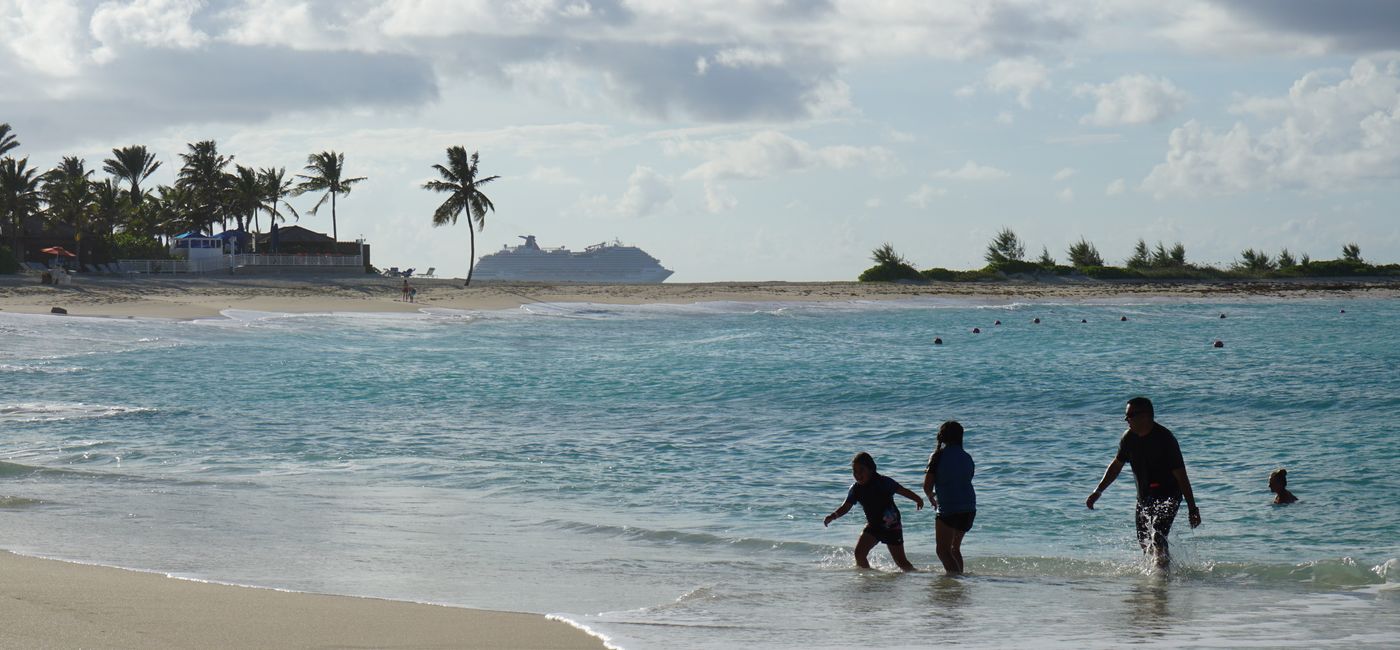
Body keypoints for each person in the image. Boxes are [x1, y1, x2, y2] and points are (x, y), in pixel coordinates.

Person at [1086, 397, 1201, 566]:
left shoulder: (1165, 440)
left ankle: (1161, 579)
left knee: (1157, 537)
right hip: (1144, 498)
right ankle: (1161, 574)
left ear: (1146, 416)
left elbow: (1181, 476)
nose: (1127, 420)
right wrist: (1098, 491)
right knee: (1144, 542)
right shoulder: (1128, 439)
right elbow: (1116, 466)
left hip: (1169, 496)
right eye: (1126, 415)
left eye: (1131, 415)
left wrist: (1192, 508)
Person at [824, 452, 923, 571]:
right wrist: (833, 516)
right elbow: (846, 506)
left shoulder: (884, 482)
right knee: (859, 554)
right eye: (854, 471)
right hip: (873, 526)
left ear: (871, 469)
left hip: (891, 526)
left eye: (861, 470)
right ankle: (869, 579)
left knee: (901, 562)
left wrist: (917, 499)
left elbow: (902, 490)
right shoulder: (856, 489)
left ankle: (918, 576)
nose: (857, 474)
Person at [923, 421, 976, 574]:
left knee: (943, 551)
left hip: (949, 509)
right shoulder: (967, 457)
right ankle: (960, 579)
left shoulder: (938, 456)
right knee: (954, 549)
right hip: (969, 508)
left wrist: (931, 497)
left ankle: (955, 582)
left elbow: (927, 486)